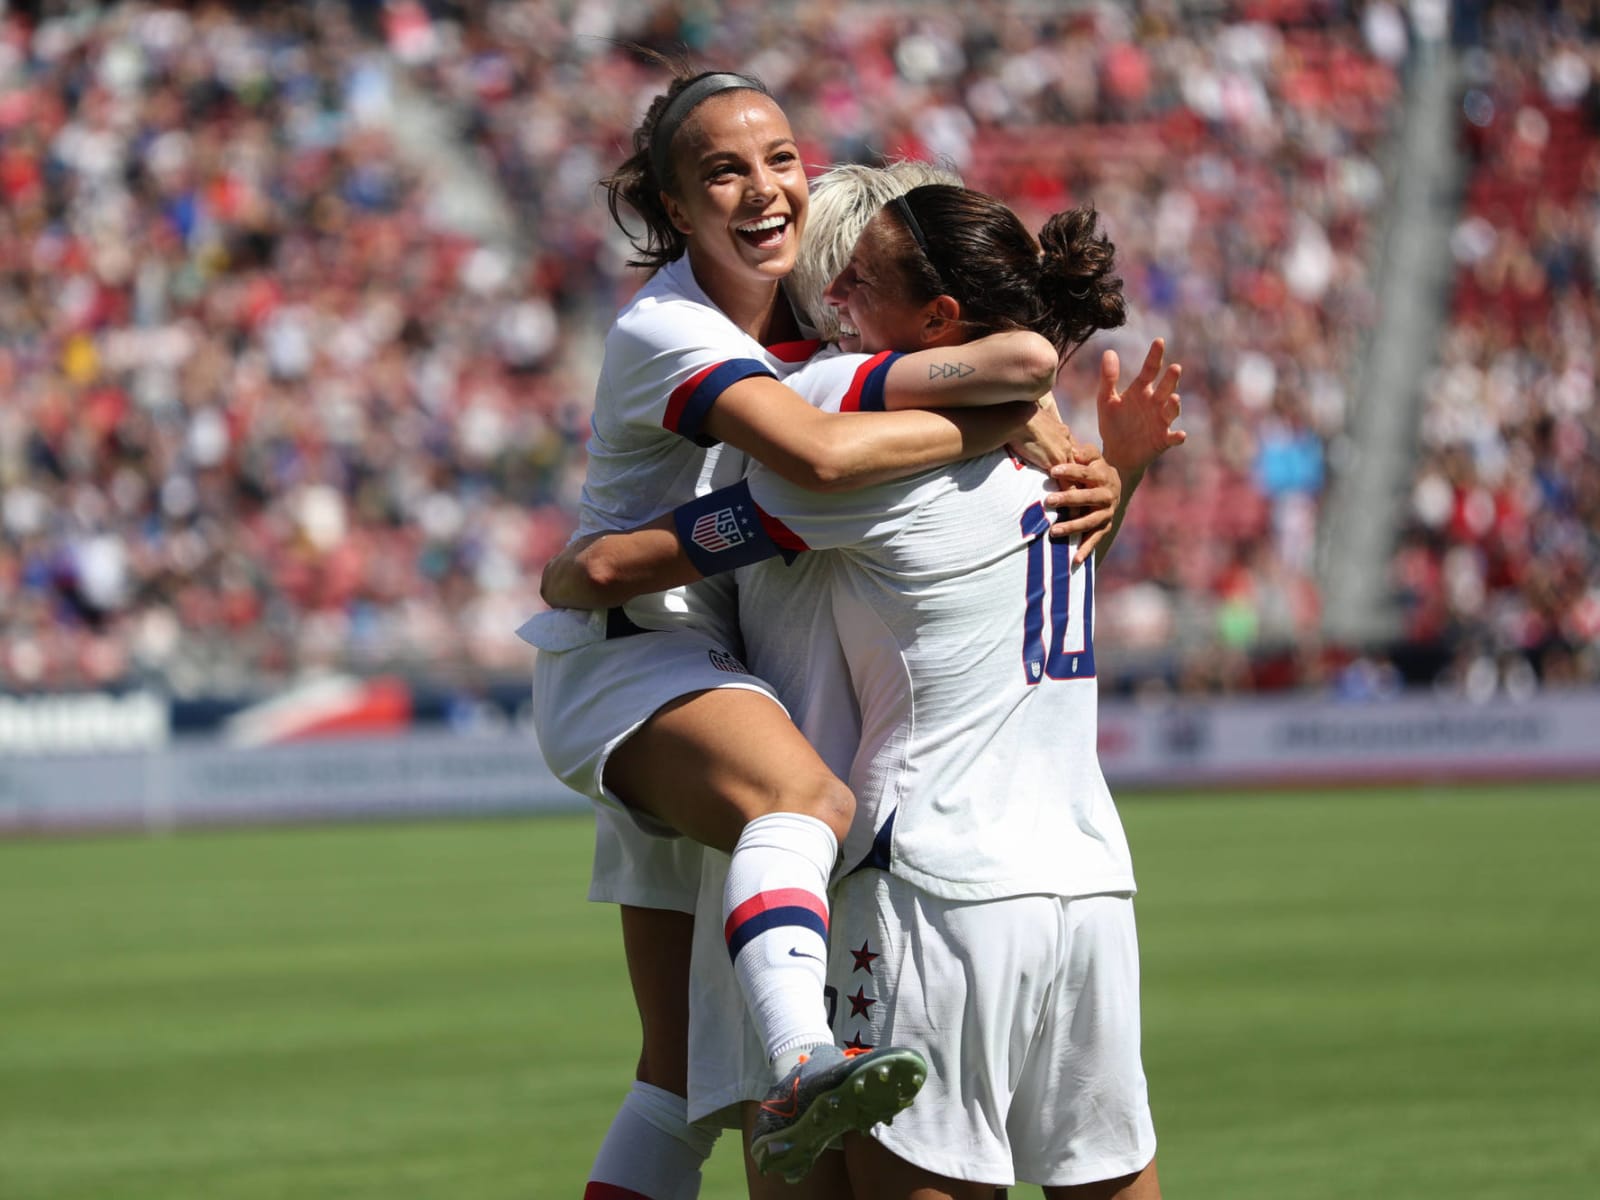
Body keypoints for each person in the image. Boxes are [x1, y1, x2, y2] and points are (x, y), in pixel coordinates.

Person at [523, 67, 1106, 1195]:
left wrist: (1096, 474)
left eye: (780, 159)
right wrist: (973, 429)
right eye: (723, 173)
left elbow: (1023, 381)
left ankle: (787, 1066)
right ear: (672, 209)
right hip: (643, 669)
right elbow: (822, 457)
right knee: (805, 807)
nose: (764, 191)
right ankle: (805, 1061)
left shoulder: (805, 301)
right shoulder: (669, 328)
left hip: (712, 674)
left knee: (675, 1078)